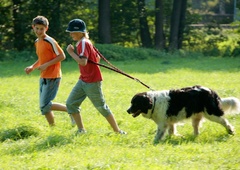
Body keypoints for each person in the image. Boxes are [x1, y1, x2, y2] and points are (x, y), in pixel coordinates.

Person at [65, 19, 126, 134]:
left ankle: (118, 131)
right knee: (71, 103)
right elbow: (97, 58)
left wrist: (71, 53)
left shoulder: (83, 43)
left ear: (81, 32)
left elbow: (83, 62)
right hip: (83, 79)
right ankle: (81, 130)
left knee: (101, 107)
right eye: (70, 32)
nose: (71, 34)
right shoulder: (85, 42)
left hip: (92, 81)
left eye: (73, 32)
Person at [24, 15, 75, 126]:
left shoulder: (50, 41)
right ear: (33, 27)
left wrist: (46, 65)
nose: (39, 31)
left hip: (53, 76)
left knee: (44, 105)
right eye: (37, 28)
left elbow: (62, 56)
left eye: (41, 29)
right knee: (45, 107)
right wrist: (32, 66)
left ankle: (72, 110)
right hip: (43, 76)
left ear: (46, 28)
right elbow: (42, 58)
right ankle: (52, 127)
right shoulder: (37, 41)